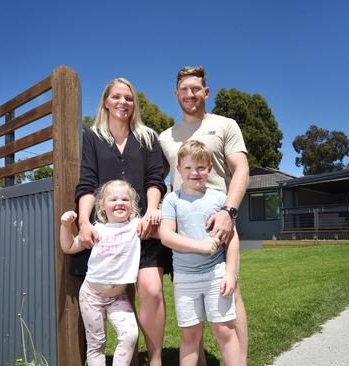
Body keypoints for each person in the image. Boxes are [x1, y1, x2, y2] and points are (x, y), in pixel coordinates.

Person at [74, 78, 170, 366]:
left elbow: (155, 178)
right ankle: (128, 360)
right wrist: (83, 222)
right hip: (109, 234)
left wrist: (152, 211)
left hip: (142, 230)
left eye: (128, 98)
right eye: (116, 97)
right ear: (105, 101)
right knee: (118, 295)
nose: (123, 102)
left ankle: (154, 360)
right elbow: (87, 183)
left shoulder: (147, 137)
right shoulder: (92, 138)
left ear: (134, 103)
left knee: (151, 290)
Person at [159, 66, 250, 365]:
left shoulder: (225, 125)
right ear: (176, 94)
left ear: (206, 92)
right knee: (191, 323)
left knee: (230, 295)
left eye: (196, 88)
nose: (190, 94)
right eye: (184, 89)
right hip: (184, 229)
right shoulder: (166, 137)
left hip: (219, 219)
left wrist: (228, 211)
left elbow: (241, 170)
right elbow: (156, 178)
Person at [159, 140, 242, 366]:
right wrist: (201, 246)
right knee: (190, 335)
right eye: (187, 168)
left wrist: (230, 274)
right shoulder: (171, 200)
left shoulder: (218, 199)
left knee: (224, 330)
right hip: (185, 279)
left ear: (210, 169)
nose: (194, 173)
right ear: (178, 170)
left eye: (200, 168)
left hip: (216, 274)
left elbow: (232, 238)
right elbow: (166, 236)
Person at [60, 180, 141, 366]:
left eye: (125, 199)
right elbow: (69, 246)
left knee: (130, 335)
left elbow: (156, 224)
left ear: (132, 205)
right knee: (96, 343)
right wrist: (65, 226)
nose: (120, 202)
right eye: (113, 199)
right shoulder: (96, 230)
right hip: (91, 296)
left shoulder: (136, 226)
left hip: (117, 297)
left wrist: (156, 213)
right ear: (103, 206)